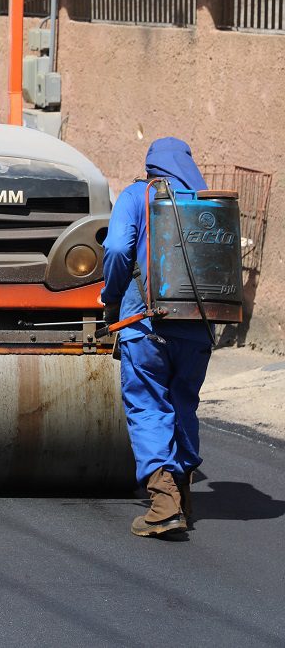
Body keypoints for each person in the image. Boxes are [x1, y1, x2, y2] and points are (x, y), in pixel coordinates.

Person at [102, 137, 214, 538]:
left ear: (151, 165)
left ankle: (163, 501)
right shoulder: (208, 204)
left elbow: (116, 249)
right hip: (198, 328)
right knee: (183, 402)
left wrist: (111, 298)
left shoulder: (138, 195)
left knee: (149, 404)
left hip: (146, 324)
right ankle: (182, 490)